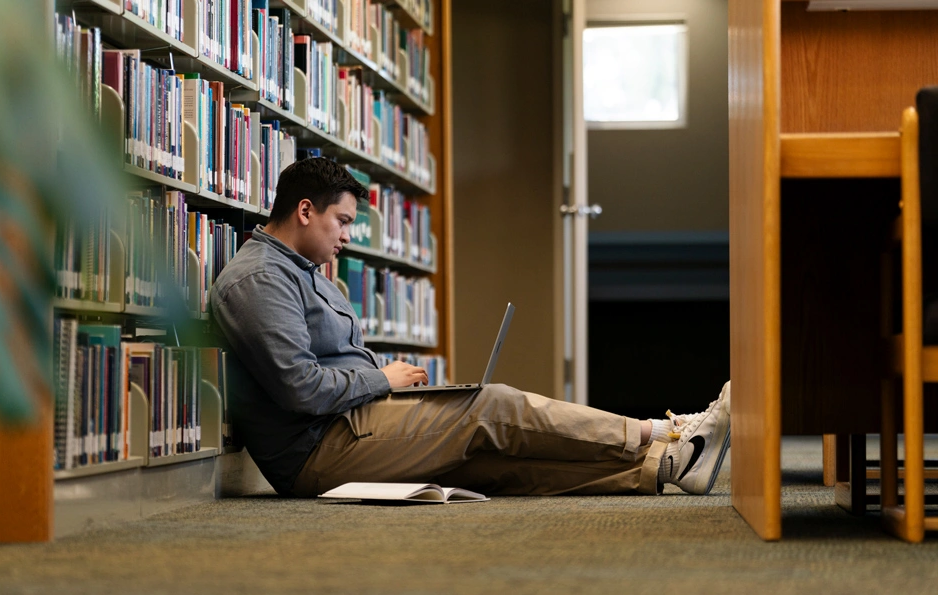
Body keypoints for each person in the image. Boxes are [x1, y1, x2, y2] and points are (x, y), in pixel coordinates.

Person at [210, 158, 731, 498]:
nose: (347, 236)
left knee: (491, 462)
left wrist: (388, 391)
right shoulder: (257, 280)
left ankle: (666, 467)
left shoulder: (305, 273)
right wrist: (382, 380)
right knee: (491, 407)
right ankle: (665, 431)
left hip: (355, 424)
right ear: (305, 210)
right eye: (342, 222)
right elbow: (299, 388)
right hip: (319, 451)